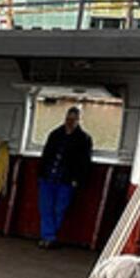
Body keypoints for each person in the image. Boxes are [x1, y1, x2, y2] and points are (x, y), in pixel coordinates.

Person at [37, 106, 93, 248]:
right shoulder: (55, 134)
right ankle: (48, 237)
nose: (69, 121)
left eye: (73, 119)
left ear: (78, 120)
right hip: (48, 176)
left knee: (59, 209)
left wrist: (77, 179)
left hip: (66, 180)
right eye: (68, 118)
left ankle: (49, 236)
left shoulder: (84, 139)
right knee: (45, 208)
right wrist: (41, 173)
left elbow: (84, 161)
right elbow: (46, 154)